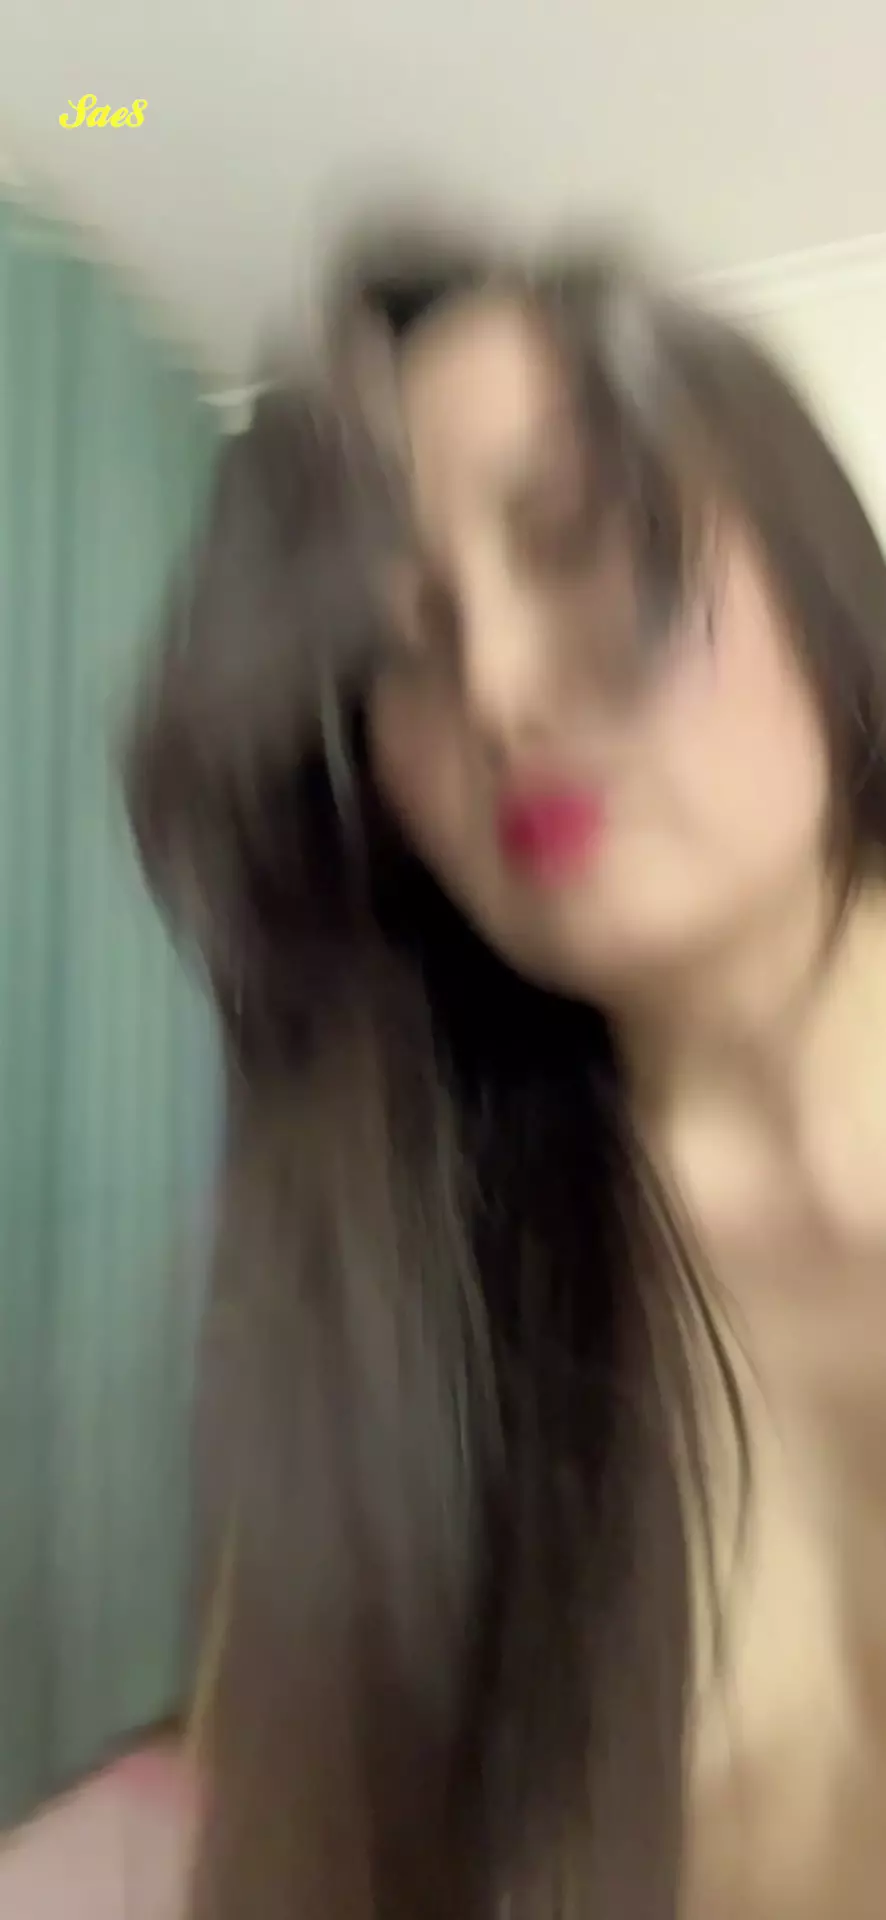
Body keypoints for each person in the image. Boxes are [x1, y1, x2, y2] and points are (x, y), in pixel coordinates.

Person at [5, 215, 886, 1920]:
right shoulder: (412, 1316)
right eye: (396, 646)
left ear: (809, 559)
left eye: (571, 543)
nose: (491, 686)